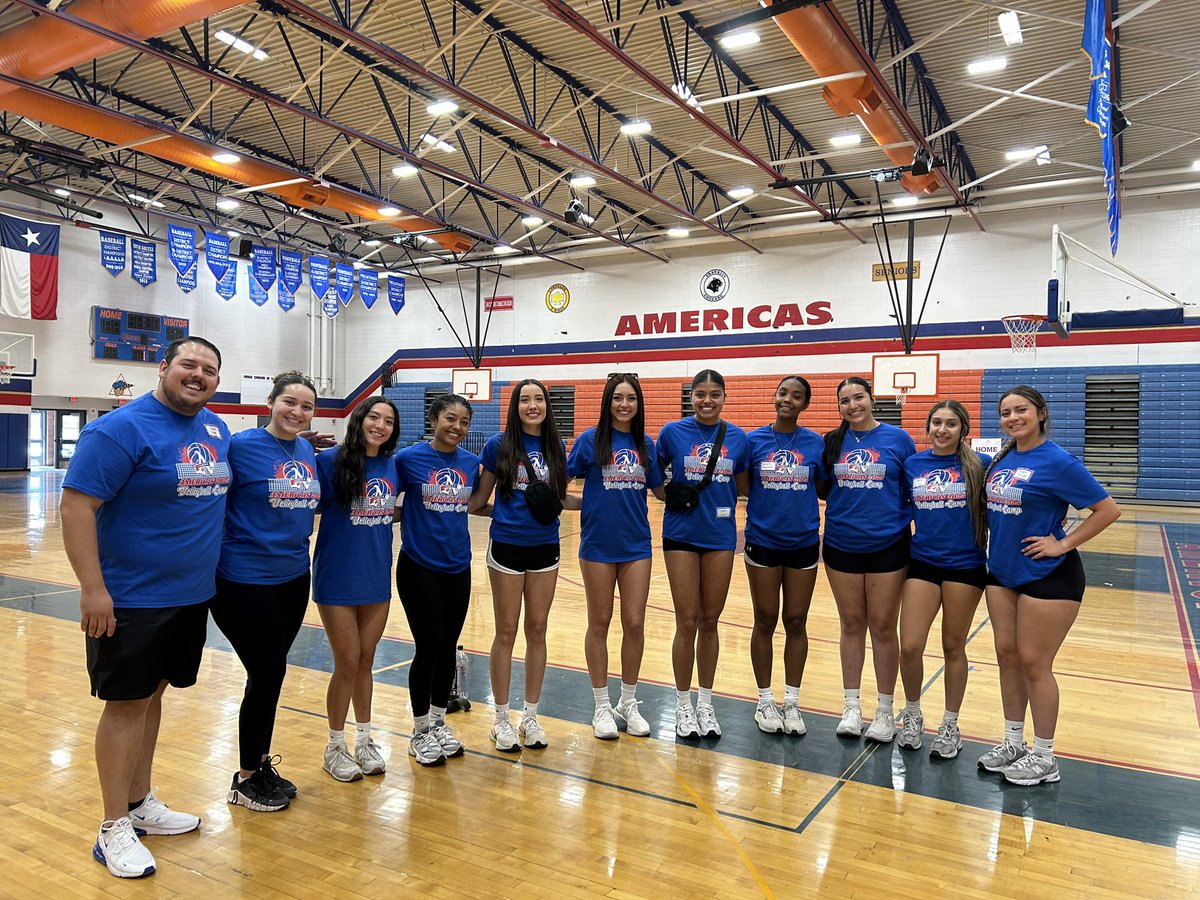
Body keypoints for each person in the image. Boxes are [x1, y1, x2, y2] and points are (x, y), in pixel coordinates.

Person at [61, 337, 229, 878]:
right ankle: (112, 828)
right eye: (188, 364)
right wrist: (93, 588)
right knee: (127, 705)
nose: (198, 374)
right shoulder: (118, 429)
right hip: (131, 600)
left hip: (190, 596)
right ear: (163, 368)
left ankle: (139, 803)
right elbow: (76, 506)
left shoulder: (215, 428)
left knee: (153, 696)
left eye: (209, 369)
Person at [978, 386, 1120, 785]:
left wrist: (1062, 542)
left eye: (1021, 410)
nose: (1012, 418)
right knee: (1007, 656)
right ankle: (1012, 743)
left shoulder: (1058, 461)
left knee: (1035, 663)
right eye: (1006, 412)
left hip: (1049, 576)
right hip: (1002, 573)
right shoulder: (1003, 459)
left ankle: (1044, 756)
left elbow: (1107, 509)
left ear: (1040, 413)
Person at [210, 371, 321, 812]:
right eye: (289, 402)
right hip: (242, 580)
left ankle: (259, 764)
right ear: (270, 403)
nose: (297, 411)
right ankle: (245, 778)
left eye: (306, 406)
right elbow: (207, 499)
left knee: (268, 675)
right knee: (268, 672)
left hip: (293, 577)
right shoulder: (238, 447)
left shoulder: (307, 449)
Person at [476, 380, 577, 751]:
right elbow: (479, 500)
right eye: (525, 399)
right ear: (515, 406)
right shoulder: (497, 445)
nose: (532, 406)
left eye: (538, 399)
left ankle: (530, 716)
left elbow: (559, 500)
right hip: (506, 548)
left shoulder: (557, 446)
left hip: (546, 549)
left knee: (537, 630)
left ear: (547, 405)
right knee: (506, 631)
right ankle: (500, 719)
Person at [567, 374, 665, 740]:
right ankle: (600, 706)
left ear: (639, 404)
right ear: (607, 402)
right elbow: (558, 484)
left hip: (637, 545)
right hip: (597, 546)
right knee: (600, 623)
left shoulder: (646, 443)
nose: (624, 405)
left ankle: (628, 701)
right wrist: (581, 504)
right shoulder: (589, 441)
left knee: (635, 623)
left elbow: (662, 492)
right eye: (617, 398)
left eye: (631, 399)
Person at [821, 376, 916, 743]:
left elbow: (912, 489)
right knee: (851, 625)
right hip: (841, 544)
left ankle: (885, 711)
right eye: (844, 400)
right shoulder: (832, 442)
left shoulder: (898, 439)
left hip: (888, 546)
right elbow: (823, 489)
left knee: (882, 627)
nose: (853, 405)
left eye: (858, 397)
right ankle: (850, 707)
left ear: (871, 399)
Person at [394, 394, 487, 766]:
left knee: (448, 647)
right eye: (450, 419)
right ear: (434, 419)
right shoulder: (408, 459)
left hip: (458, 567)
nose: (457, 427)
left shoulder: (470, 463)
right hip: (419, 566)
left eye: (464, 422)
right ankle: (419, 732)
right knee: (428, 647)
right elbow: (381, 489)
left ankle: (438, 723)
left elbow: (477, 504)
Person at [656, 369, 749, 740]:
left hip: (720, 537)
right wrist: (669, 494)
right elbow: (654, 478)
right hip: (680, 535)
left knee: (711, 620)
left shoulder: (738, 438)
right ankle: (682, 705)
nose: (707, 401)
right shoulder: (671, 433)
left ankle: (706, 704)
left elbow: (744, 486)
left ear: (724, 397)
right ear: (690, 397)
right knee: (686, 620)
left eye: (714, 395)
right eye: (700, 394)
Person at [312, 396, 399, 783]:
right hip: (337, 577)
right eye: (374, 417)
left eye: (388, 421)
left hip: (377, 577)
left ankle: (364, 739)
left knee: (366, 661)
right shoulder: (330, 461)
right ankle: (335, 745)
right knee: (346, 661)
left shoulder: (395, 465)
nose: (380, 425)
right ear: (360, 419)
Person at [897, 400, 989, 758]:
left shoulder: (978, 466)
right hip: (922, 562)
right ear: (927, 426)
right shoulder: (913, 464)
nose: (943, 429)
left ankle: (950, 725)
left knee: (953, 646)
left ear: (963, 429)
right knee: (910, 646)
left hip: (965, 566)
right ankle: (914, 714)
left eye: (951, 423)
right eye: (937, 422)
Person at [738, 376, 826, 737]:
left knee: (796, 620)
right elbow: (744, 487)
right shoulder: (753, 440)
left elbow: (821, 488)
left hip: (803, 542)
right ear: (774, 397)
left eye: (797, 396)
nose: (788, 399)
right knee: (765, 619)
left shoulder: (815, 443)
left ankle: (792, 701)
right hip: (763, 541)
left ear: (805, 404)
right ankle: (764, 700)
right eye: (783, 393)